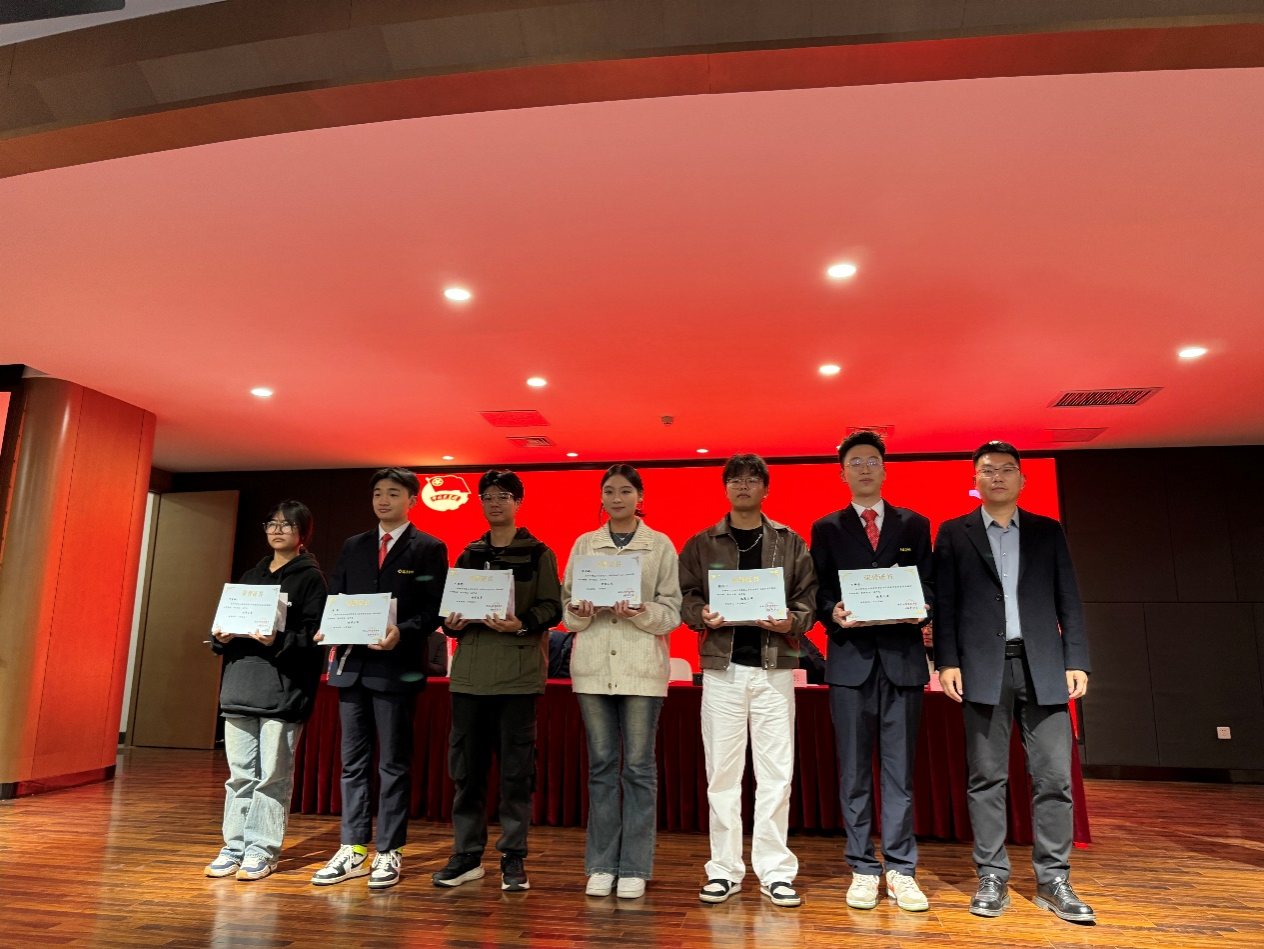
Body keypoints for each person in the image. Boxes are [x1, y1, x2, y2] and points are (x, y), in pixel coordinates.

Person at [934, 441, 1094, 923]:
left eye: (1007, 469)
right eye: (988, 470)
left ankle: (1054, 879)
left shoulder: (1047, 531)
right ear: (975, 480)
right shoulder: (954, 532)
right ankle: (991, 875)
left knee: (1054, 778)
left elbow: (1069, 598)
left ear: (1023, 479)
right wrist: (946, 661)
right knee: (986, 777)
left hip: (1043, 665)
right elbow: (945, 604)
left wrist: (1077, 659)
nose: (998, 477)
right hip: (982, 669)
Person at [678, 453, 817, 909]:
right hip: (722, 671)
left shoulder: (789, 542)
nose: (743, 485)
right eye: (735, 479)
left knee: (777, 775)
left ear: (765, 488)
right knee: (722, 774)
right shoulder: (702, 543)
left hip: (775, 671)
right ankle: (724, 869)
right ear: (725, 488)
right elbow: (686, 596)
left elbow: (808, 600)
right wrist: (700, 614)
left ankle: (776, 872)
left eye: (752, 479)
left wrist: (792, 621)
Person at [810, 431, 934, 912]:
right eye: (855, 462)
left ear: (884, 469)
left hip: (903, 663)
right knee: (855, 773)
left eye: (872, 461)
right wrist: (833, 612)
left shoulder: (914, 524)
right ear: (842, 473)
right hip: (850, 664)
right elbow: (819, 591)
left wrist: (921, 608)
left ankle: (902, 869)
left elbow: (930, 585)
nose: (864, 468)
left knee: (900, 773)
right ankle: (863, 867)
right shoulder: (827, 528)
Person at [310, 468, 447, 889]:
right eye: (377, 494)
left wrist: (401, 631)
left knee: (393, 764)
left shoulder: (429, 547)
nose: (383, 500)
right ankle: (352, 847)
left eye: (393, 493)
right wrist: (328, 626)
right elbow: (336, 596)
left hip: (396, 668)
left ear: (412, 500)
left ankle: (389, 850)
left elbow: (434, 609)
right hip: (351, 667)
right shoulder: (355, 545)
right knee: (353, 763)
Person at [433, 470, 563, 893]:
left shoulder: (538, 553)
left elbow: (553, 607)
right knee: (466, 773)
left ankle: (513, 855)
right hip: (469, 676)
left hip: (518, 676)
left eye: (503, 496)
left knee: (516, 773)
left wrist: (520, 623)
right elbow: (449, 613)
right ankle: (467, 855)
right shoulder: (469, 553)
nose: (494, 503)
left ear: (518, 502)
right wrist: (450, 623)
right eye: (487, 496)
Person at [562, 464, 682, 900]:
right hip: (593, 669)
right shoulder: (584, 544)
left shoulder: (660, 545)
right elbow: (566, 611)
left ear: (639, 497)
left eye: (626, 491)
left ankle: (633, 866)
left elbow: (673, 611)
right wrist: (580, 610)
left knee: (638, 768)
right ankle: (600, 865)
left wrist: (642, 612)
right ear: (601, 498)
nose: (617, 498)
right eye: (609, 491)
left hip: (641, 670)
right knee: (600, 768)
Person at [205, 500, 327, 881]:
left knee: (272, 776)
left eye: (286, 525)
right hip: (241, 684)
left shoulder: (311, 579)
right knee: (239, 776)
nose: (277, 530)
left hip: (284, 690)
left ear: (302, 533)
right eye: (272, 524)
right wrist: (220, 636)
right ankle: (234, 847)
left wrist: (279, 639)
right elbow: (222, 628)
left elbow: (316, 637)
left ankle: (261, 850)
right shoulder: (250, 575)